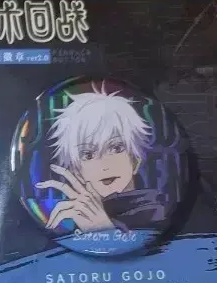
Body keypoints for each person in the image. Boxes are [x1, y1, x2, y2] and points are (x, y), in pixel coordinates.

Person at [34, 87, 169, 233]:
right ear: (76, 171)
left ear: (135, 160)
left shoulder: (154, 213)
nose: (104, 165)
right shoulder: (76, 216)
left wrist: (104, 228)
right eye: (88, 155)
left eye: (116, 148)